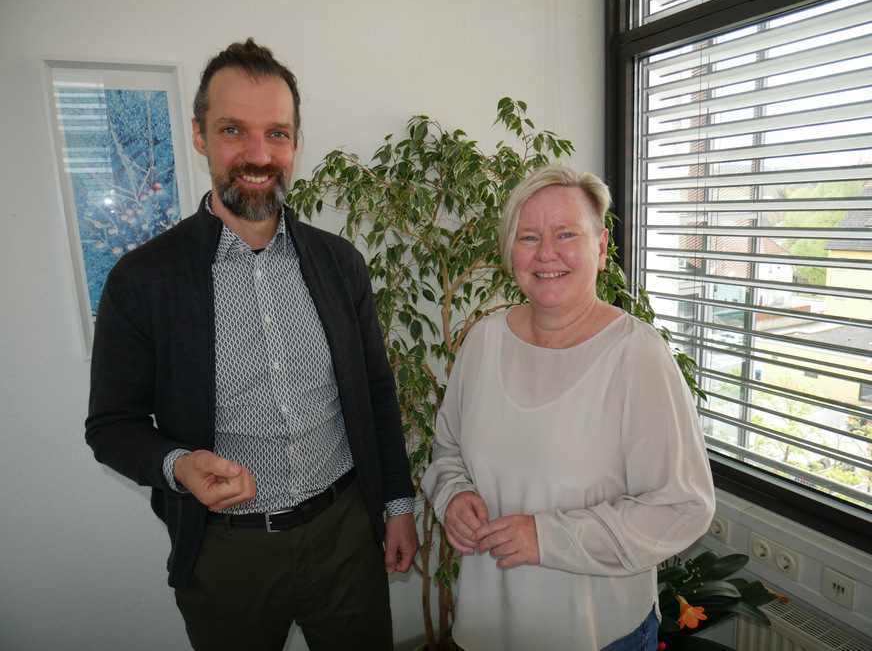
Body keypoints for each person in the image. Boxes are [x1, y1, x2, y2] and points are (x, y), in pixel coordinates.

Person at [86, 38, 418, 651]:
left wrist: (397, 504)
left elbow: (375, 391)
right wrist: (179, 465)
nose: (259, 155)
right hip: (225, 551)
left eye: (278, 134)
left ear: (294, 142)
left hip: (346, 535)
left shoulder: (339, 263)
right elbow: (112, 426)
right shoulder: (142, 279)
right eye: (234, 130)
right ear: (200, 136)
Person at [421, 165, 715, 651]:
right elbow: (447, 450)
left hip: (599, 634)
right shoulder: (483, 340)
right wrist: (452, 496)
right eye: (529, 237)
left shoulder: (636, 355)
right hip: (488, 628)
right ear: (510, 252)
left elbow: (682, 506)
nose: (546, 254)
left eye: (566, 235)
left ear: (600, 249)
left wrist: (548, 537)